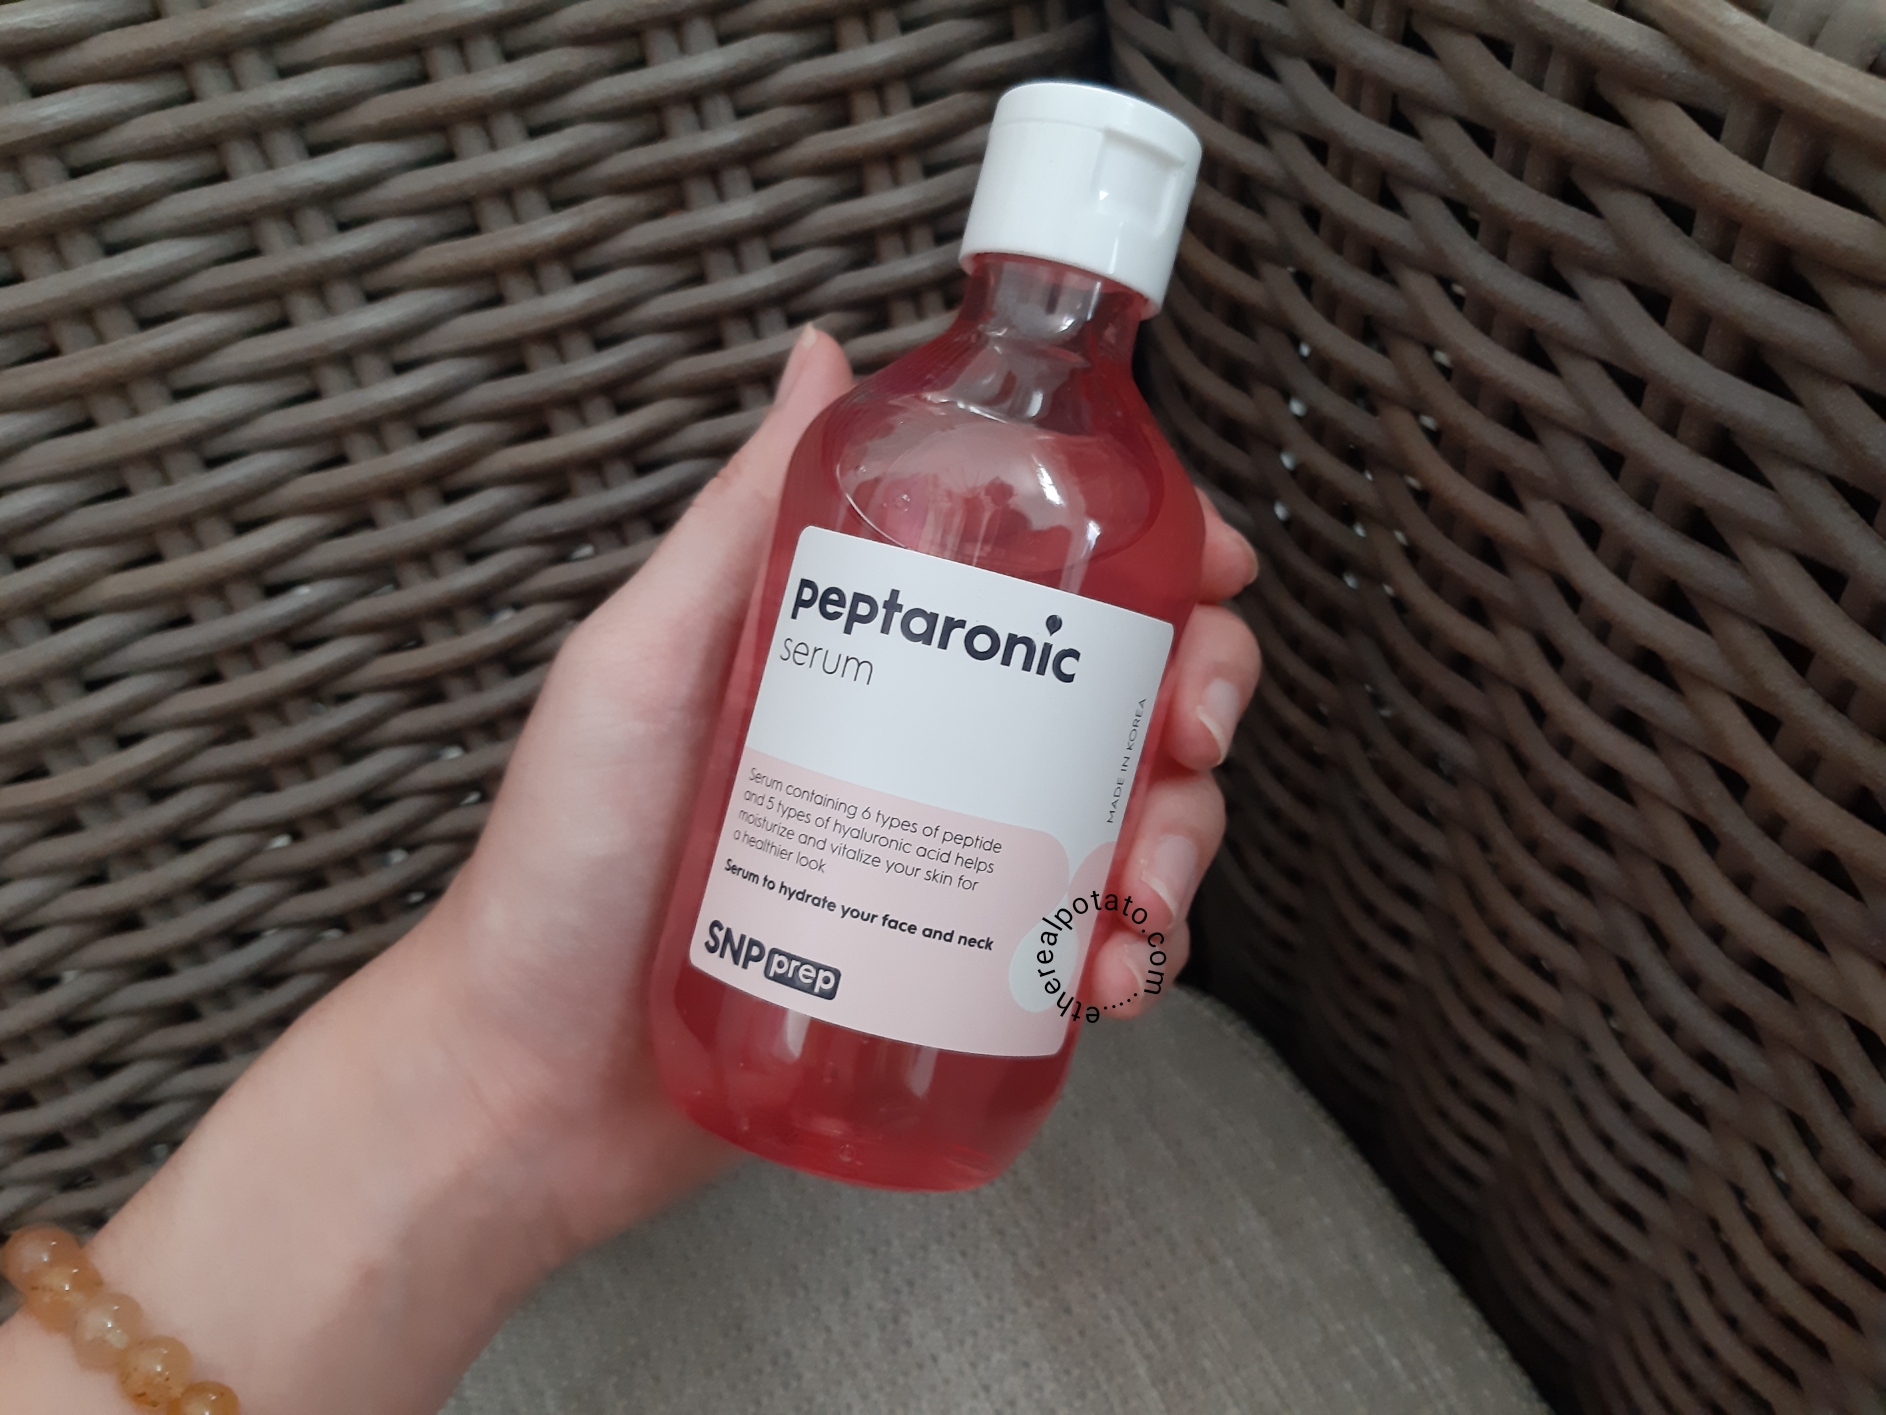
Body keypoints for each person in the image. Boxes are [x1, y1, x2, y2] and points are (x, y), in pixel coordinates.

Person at [0, 327, 1261, 1414]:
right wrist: (495, 1073)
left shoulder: (1115, 498)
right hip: (709, 1005)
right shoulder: (883, 443)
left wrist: (505, 1093)